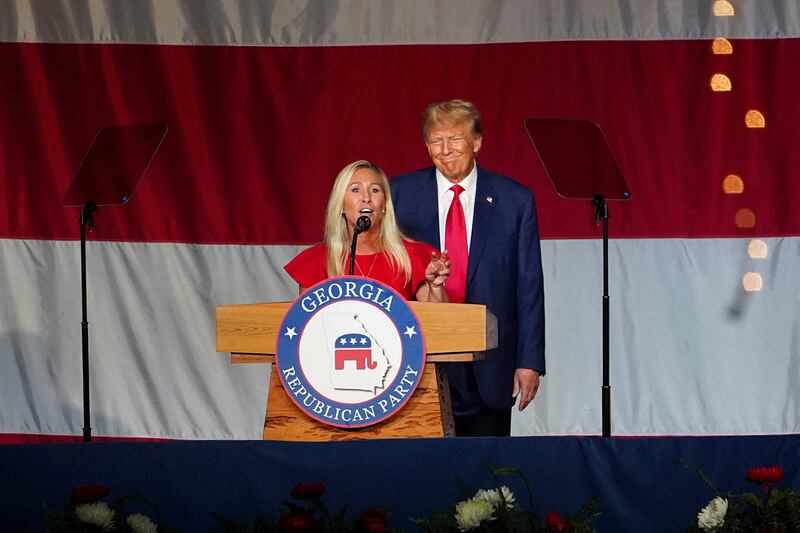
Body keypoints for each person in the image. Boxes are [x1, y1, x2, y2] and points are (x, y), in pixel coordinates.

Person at [390, 99, 545, 436]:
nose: (445, 150)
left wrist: (529, 360)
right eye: (435, 140)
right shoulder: (399, 194)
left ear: (477, 142)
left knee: (484, 477)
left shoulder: (514, 200)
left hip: (490, 361)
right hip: (420, 357)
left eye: (455, 139)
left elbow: (528, 286)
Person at [285, 160, 450, 301]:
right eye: (355, 189)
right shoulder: (317, 261)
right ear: (340, 204)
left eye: (375, 190)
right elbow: (306, 326)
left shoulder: (412, 256)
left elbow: (437, 320)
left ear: (384, 205)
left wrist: (436, 287)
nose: (366, 198)